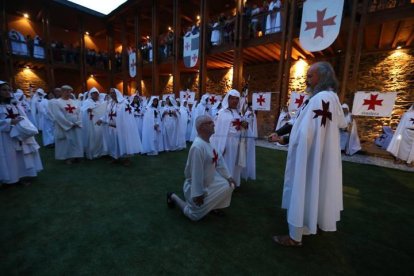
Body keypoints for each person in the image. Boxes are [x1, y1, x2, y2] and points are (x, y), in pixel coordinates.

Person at [270, 62, 347, 246]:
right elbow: (298, 122)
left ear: (323, 77)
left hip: (310, 156)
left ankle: (295, 236)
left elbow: (305, 133)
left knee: (304, 186)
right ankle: (313, 222)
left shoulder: (321, 99)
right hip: (318, 156)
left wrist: (285, 140)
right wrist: (279, 133)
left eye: (311, 76)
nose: (307, 79)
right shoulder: (327, 97)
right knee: (316, 185)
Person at [167, 115, 236, 221]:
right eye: (210, 123)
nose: (213, 124)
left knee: (229, 185)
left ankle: (212, 206)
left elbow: (220, 161)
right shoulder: (197, 147)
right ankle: (172, 196)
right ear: (201, 127)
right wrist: (197, 194)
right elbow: (196, 173)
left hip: (210, 182)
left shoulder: (209, 142)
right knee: (194, 216)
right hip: (194, 185)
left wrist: (229, 176)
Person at [0, 81, 43, 186]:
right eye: (4, 90)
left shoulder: (14, 104)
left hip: (19, 134)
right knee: (8, 157)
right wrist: (9, 121)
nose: (7, 92)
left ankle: (19, 177)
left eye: (9, 90)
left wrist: (22, 122)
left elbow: (24, 116)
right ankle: (8, 179)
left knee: (19, 156)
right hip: (5, 137)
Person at [210, 89, 248, 187]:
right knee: (226, 163)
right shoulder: (222, 113)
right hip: (226, 143)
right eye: (232, 99)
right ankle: (224, 185)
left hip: (236, 144)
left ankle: (234, 182)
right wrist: (221, 146)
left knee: (235, 163)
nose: (235, 101)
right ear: (228, 99)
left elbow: (240, 128)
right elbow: (218, 131)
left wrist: (245, 125)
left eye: (237, 99)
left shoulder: (237, 113)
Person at [96, 88, 141, 166]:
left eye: (113, 93)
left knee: (124, 143)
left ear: (117, 93)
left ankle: (127, 159)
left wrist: (125, 125)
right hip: (111, 127)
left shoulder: (124, 103)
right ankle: (115, 157)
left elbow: (128, 116)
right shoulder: (110, 103)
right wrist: (101, 119)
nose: (112, 94)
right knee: (114, 143)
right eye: (110, 93)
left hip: (122, 128)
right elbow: (107, 114)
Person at [51, 85, 84, 164]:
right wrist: (69, 124)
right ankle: (68, 157)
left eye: (69, 91)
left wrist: (78, 122)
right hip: (65, 126)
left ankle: (77, 156)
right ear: (61, 92)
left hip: (76, 125)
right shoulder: (57, 102)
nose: (68, 93)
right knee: (67, 142)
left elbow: (79, 112)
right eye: (66, 91)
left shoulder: (74, 102)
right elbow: (58, 115)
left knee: (77, 141)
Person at [81, 87, 107, 160]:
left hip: (99, 123)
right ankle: (93, 153)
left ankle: (101, 152)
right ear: (91, 94)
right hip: (91, 123)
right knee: (92, 137)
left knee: (100, 137)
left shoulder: (101, 102)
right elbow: (82, 110)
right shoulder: (87, 102)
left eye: (97, 94)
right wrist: (87, 110)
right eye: (94, 94)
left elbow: (103, 110)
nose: (96, 95)